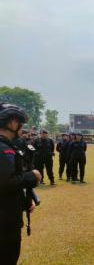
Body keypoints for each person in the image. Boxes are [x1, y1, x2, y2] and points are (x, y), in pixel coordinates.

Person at [0, 103, 42, 264]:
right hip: (4, 223)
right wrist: (32, 175)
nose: (21, 129)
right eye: (20, 124)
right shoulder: (3, 148)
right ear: (11, 123)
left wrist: (22, 202)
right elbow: (6, 181)